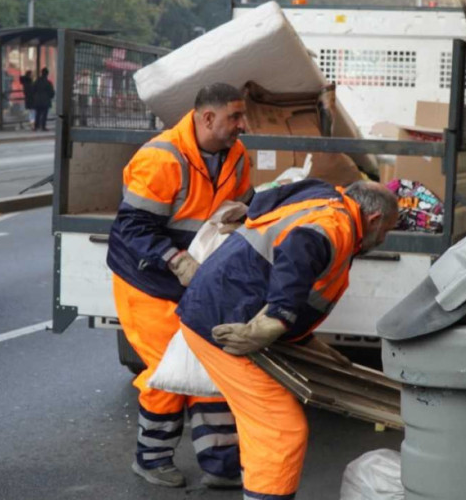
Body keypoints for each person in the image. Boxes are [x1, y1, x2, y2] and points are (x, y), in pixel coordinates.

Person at [176, 178, 399, 500]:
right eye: (387, 230)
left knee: (264, 422)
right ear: (374, 219)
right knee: (280, 429)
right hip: (229, 325)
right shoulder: (334, 224)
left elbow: (278, 199)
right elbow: (298, 252)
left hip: (223, 310)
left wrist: (304, 342)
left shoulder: (325, 195)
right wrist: (276, 320)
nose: (384, 238)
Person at [106, 83, 253, 489]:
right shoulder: (162, 157)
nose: (244, 125)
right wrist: (176, 259)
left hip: (195, 279)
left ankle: (221, 466)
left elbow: (242, 203)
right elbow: (131, 227)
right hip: (145, 281)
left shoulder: (235, 155)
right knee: (169, 371)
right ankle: (151, 458)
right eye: (235, 117)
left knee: (210, 364)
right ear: (208, 118)